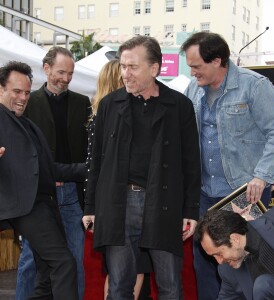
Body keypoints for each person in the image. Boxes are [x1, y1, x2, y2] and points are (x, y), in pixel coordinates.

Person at [83, 35, 201, 299]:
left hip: (163, 203)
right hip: (118, 204)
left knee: (170, 285)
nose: (125, 73)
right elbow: (96, 163)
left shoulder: (179, 106)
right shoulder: (110, 105)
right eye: (123, 66)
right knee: (119, 285)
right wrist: (91, 207)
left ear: (155, 69)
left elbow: (191, 163)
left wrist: (190, 210)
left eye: (133, 67)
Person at [180, 31, 274, 299]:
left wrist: (261, 176)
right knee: (206, 259)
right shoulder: (193, 89)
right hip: (205, 194)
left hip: (245, 192)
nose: (192, 72)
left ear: (217, 60)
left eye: (196, 66)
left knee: (250, 261)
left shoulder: (253, 85)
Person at [0, 61, 80, 299]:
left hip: (45, 204)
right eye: (16, 91)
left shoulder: (27, 124)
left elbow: (49, 169)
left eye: (26, 92)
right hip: (27, 207)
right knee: (64, 263)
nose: (23, 97)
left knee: (46, 275)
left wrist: (90, 169)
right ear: (1, 89)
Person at [17, 46, 91, 300]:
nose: (66, 78)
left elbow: (88, 151)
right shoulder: (28, 103)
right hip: (38, 195)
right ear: (46, 69)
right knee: (30, 260)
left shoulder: (83, 104)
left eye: (70, 73)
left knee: (74, 260)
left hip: (72, 194)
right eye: (61, 72)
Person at [86, 59, 150, 300]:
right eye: (124, 73)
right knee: (128, 270)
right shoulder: (109, 116)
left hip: (109, 202)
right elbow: (96, 165)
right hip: (119, 202)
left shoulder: (97, 115)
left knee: (118, 271)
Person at [195, 200, 274, 300]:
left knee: (264, 285)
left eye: (219, 254)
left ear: (235, 239)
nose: (219, 261)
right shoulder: (227, 271)